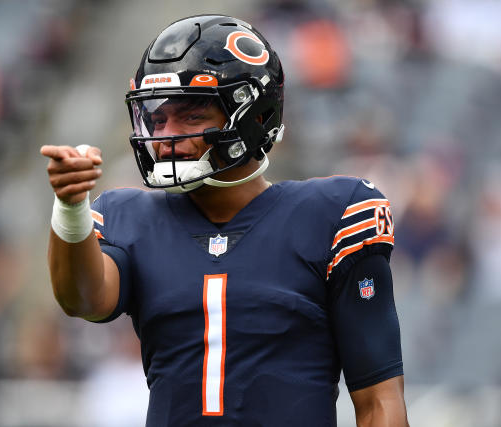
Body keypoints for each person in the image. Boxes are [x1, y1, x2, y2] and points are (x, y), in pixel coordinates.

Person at [41, 15, 409, 426]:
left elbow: (379, 400)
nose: (166, 137)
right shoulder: (130, 218)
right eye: (158, 119)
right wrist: (71, 206)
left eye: (191, 117)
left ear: (254, 116)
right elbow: (83, 299)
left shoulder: (332, 214)